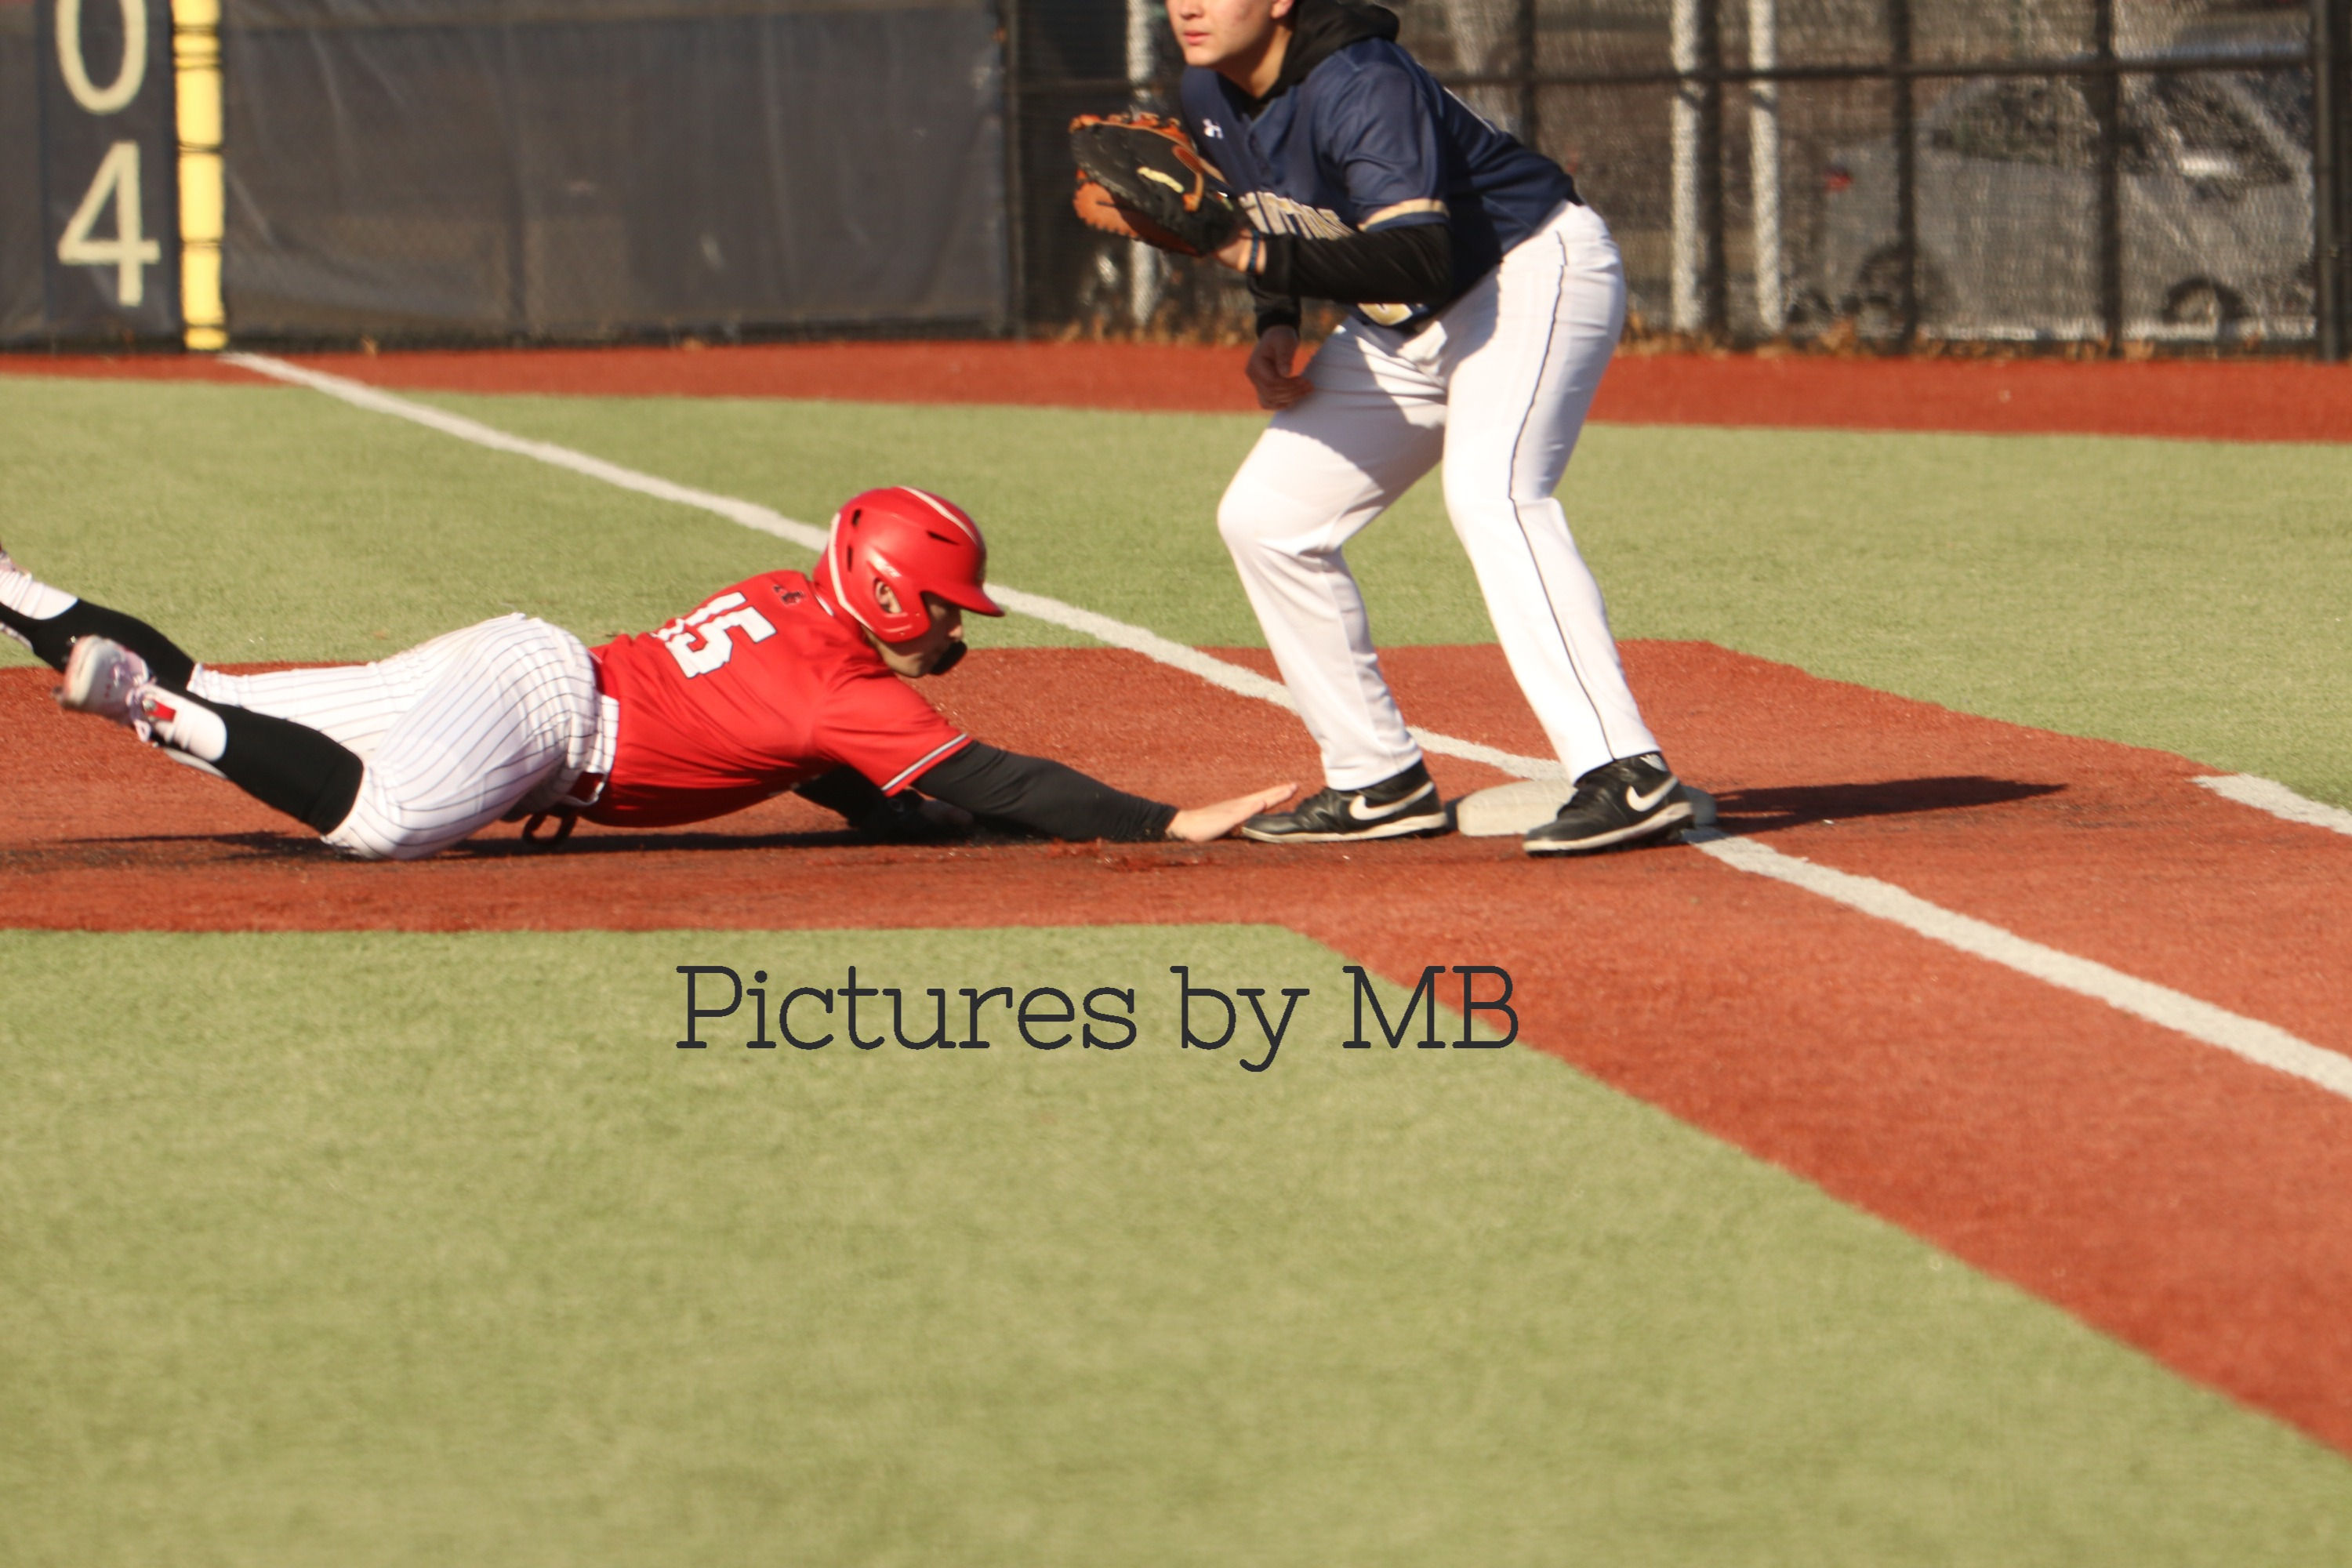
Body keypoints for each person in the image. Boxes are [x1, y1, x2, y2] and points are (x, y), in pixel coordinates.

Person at [1, 487, 1290, 858]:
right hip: (548, 718)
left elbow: (826, 772)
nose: (959, 630)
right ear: (893, 593)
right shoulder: (853, 686)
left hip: (512, 665)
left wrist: (908, 820)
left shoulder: (791, 602)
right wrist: (1168, 818)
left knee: (242, 693)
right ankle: (147, 706)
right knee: (383, 821)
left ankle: (15, 588)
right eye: (947, 608)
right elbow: (1004, 775)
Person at [1162, 0, 1693, 855]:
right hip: (1401, 324)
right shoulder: (1207, 89)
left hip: (1525, 273)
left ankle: (1623, 770)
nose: (1186, 4)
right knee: (1268, 520)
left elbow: (1417, 254)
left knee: (1496, 495)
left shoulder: (1360, 81)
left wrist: (1245, 254)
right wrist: (1277, 318)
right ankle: (1378, 779)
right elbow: (1274, 211)